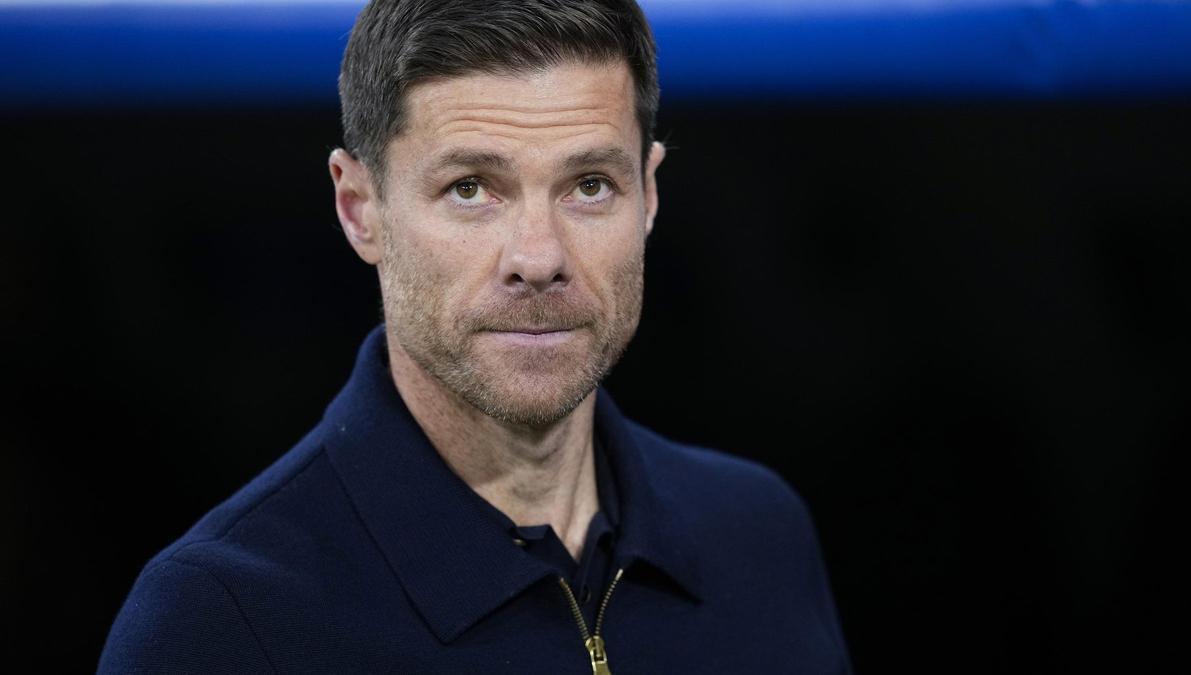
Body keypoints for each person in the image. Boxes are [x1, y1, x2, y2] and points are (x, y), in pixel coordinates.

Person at [98, 1, 852, 672]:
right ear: (360, 208)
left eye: (590, 184)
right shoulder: (223, 620)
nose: (539, 258)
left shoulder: (760, 540)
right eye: (470, 188)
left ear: (649, 195)